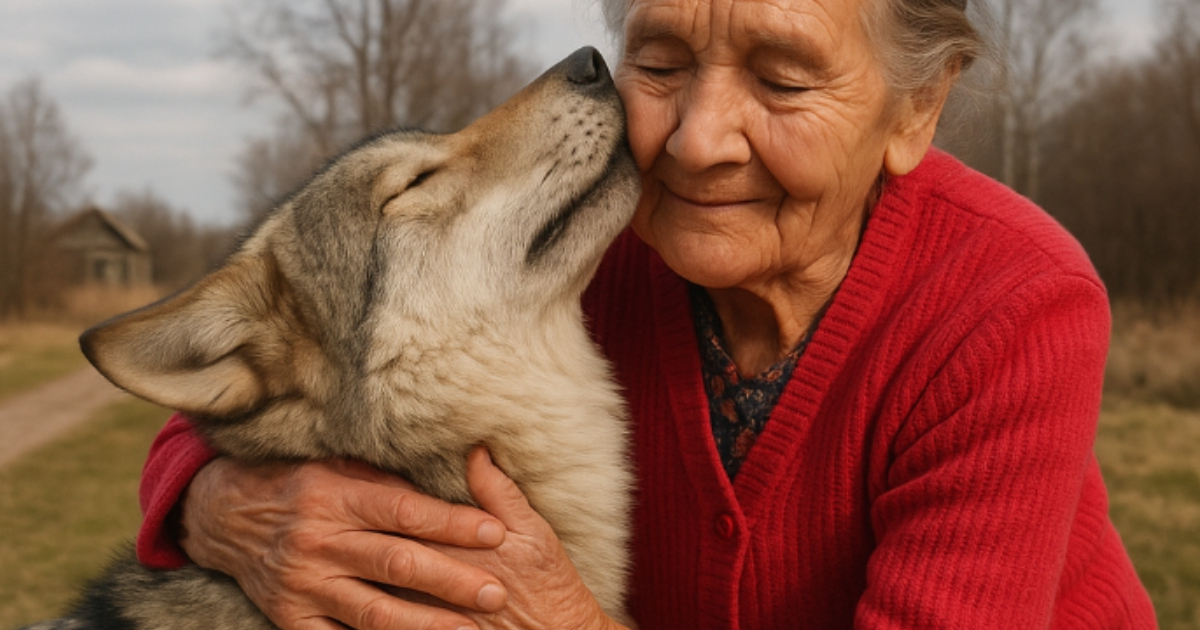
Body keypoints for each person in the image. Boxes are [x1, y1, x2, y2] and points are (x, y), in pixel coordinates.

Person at [136, 0, 1158, 628]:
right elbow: (269, 374)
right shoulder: (586, 239)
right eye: (660, 65)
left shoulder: (1008, 305)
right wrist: (218, 500)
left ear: (915, 111)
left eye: (783, 78)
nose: (696, 140)